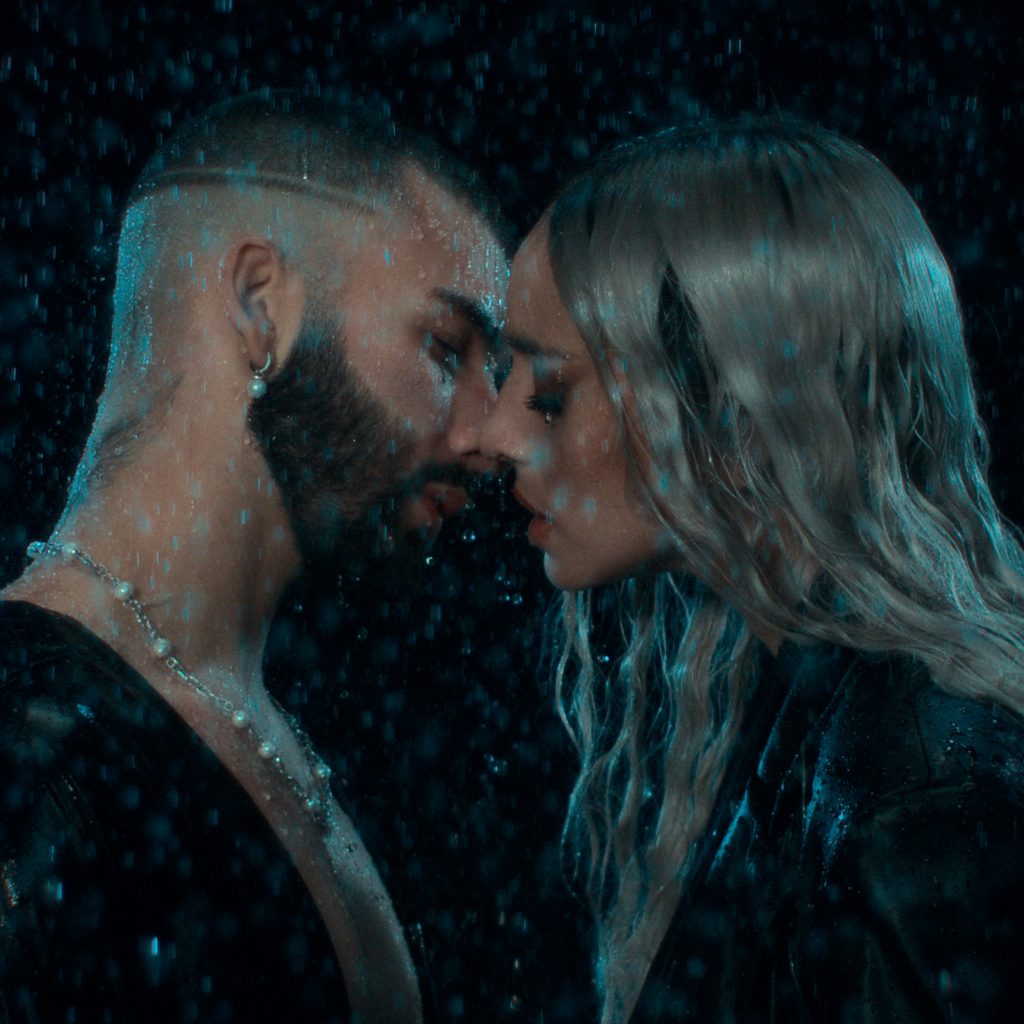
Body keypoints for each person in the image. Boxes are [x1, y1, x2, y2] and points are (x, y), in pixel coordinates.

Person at [481, 118, 1024, 1023]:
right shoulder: (832, 715)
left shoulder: (921, 802)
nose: (494, 433)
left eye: (548, 391)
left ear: (731, 413)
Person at [0, 91, 506, 1023]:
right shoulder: (24, 744)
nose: (493, 433)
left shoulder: (332, 745)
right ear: (259, 303)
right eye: (447, 348)